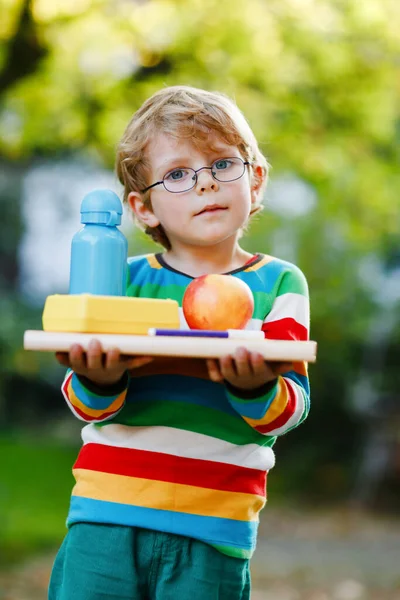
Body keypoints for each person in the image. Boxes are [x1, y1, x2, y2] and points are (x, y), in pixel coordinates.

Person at [49, 85, 311, 600]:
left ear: (255, 181)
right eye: (177, 174)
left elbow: (290, 410)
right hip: (106, 517)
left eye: (221, 164)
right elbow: (84, 404)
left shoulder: (280, 284)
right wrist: (99, 376)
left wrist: (257, 386)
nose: (206, 184)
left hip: (214, 529)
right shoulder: (122, 277)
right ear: (142, 208)